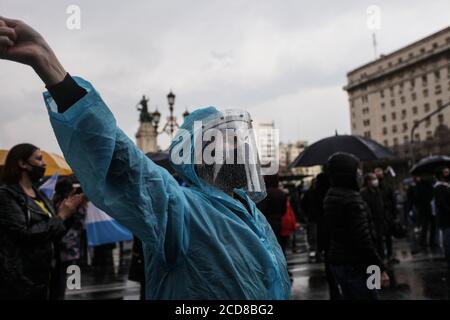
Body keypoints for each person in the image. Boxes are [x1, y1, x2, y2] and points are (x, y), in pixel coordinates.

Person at [0, 17, 290, 299]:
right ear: (201, 156)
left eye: (241, 140)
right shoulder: (181, 210)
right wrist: (45, 61)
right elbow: (119, 160)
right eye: (229, 141)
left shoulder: (250, 212)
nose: (241, 149)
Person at [0, 143, 84, 299]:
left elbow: (54, 233)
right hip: (23, 281)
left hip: (49, 275)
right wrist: (61, 216)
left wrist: (71, 211)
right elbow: (25, 235)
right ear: (22, 163)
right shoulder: (6, 195)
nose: (44, 164)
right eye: (39, 159)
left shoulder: (40, 195)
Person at [323, 153, 389, 300]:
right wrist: (379, 268)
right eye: (356, 170)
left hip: (341, 262)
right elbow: (363, 240)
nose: (360, 174)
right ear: (347, 173)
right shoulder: (352, 199)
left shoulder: (331, 195)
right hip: (358, 264)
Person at [361, 173, 388, 260]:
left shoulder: (377, 191)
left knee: (380, 240)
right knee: (374, 241)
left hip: (380, 219)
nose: (375, 181)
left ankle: (382, 257)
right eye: (373, 179)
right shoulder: (363, 193)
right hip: (371, 220)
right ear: (368, 181)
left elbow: (381, 204)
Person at [433, 167, 450, 296]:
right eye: (445, 171)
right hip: (446, 220)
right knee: (447, 240)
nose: (447, 173)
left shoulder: (446, 186)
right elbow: (443, 204)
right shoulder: (439, 188)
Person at [374, 168, 397, 262]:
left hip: (386, 215)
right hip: (379, 215)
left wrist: (393, 214)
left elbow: (392, 200)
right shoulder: (374, 188)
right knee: (380, 237)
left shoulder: (386, 187)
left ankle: (388, 254)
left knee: (386, 236)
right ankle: (383, 254)